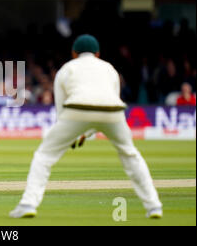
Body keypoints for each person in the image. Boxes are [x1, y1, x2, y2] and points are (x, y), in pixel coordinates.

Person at [9, 34, 163, 219]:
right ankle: (154, 206)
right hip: (113, 111)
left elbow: (61, 110)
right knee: (130, 154)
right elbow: (108, 102)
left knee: (44, 155)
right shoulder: (109, 68)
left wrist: (74, 135)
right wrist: (88, 132)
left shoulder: (66, 69)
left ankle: (28, 204)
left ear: (74, 53)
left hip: (76, 110)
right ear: (97, 53)